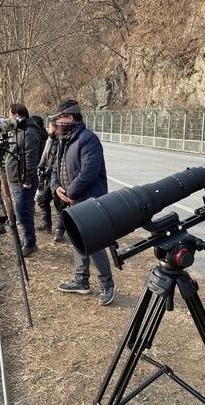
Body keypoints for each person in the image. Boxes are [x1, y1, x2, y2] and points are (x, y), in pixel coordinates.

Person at [50, 99, 116, 306]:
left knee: (94, 243)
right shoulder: (63, 140)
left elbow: (89, 172)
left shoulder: (88, 140)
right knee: (76, 240)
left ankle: (107, 284)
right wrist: (56, 187)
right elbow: (55, 168)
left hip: (88, 200)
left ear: (70, 118)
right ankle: (81, 281)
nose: (57, 123)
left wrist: (71, 192)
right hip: (71, 200)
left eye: (59, 119)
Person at [4, 103, 46, 257]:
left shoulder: (28, 132)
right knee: (21, 211)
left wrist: (27, 179)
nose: (8, 117)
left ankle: (30, 243)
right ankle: (26, 239)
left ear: (15, 114)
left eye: (9, 114)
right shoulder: (20, 130)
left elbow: (30, 158)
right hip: (17, 178)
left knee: (23, 212)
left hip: (23, 180)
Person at [34, 120, 67, 242]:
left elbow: (61, 162)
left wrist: (51, 170)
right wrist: (40, 167)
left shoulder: (62, 142)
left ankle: (60, 230)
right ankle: (46, 224)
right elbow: (44, 155)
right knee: (42, 200)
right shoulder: (50, 140)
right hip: (47, 177)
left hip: (58, 179)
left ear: (57, 128)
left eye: (51, 127)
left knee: (59, 205)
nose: (49, 130)